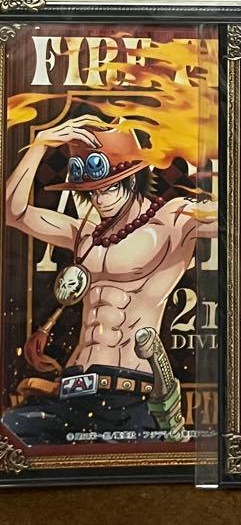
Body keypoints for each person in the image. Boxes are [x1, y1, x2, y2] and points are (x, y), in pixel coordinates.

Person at [2, 116, 216, 443]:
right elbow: (12, 212)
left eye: (110, 188)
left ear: (133, 179)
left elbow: (236, 217)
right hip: (71, 390)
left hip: (130, 395)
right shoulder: (85, 234)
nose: (100, 199)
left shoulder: (174, 221)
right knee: (10, 433)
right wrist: (41, 144)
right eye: (93, 192)